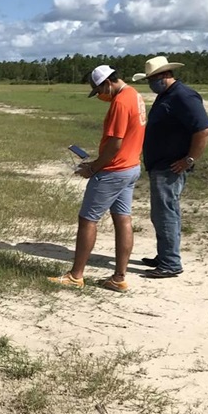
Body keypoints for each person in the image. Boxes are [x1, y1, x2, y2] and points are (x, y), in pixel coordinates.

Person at [48, 65, 147, 292]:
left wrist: (93, 168)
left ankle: (75, 276)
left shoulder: (120, 103)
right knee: (123, 220)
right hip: (131, 167)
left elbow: (115, 144)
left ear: (107, 83)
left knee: (87, 220)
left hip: (113, 171)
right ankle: (119, 277)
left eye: (99, 91)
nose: (100, 96)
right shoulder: (135, 95)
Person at [133, 56, 208, 278]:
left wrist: (189, 159)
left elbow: (203, 129)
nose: (150, 84)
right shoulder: (166, 95)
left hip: (171, 167)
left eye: (152, 79)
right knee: (162, 213)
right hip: (160, 165)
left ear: (165, 76)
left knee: (165, 213)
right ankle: (165, 254)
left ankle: (170, 263)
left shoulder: (183, 96)